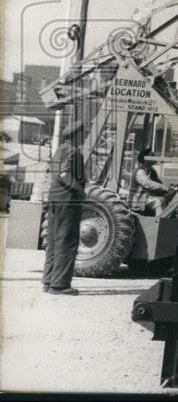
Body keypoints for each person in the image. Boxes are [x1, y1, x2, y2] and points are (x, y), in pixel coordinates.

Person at [41, 117, 86, 295]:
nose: (84, 136)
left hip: (54, 199)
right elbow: (65, 174)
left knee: (54, 240)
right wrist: (80, 191)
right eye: (83, 133)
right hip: (67, 200)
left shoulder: (59, 150)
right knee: (66, 241)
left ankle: (48, 281)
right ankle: (59, 285)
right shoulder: (72, 151)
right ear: (77, 135)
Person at [128, 148, 176, 213]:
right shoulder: (139, 171)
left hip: (145, 198)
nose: (155, 157)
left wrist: (170, 187)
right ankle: (161, 219)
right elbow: (149, 184)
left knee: (170, 199)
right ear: (146, 159)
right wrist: (166, 188)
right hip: (137, 200)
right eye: (152, 155)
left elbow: (158, 183)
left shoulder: (151, 170)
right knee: (160, 201)